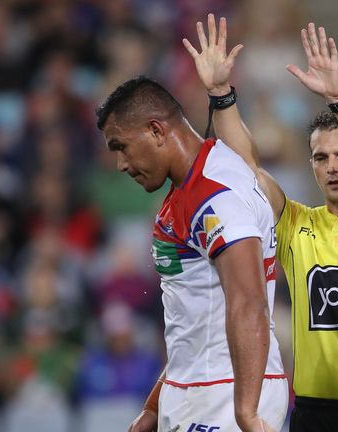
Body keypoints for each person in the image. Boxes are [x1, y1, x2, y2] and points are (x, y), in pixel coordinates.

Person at [181, 14, 338, 431]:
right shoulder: (296, 224)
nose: (331, 167)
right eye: (320, 158)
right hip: (314, 415)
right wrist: (221, 94)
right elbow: (246, 168)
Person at [95, 75, 287, 432]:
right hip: (200, 386)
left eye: (121, 146)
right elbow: (197, 321)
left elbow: (250, 301)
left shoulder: (214, 197)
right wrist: (155, 406)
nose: (121, 163)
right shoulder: (193, 187)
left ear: (156, 130)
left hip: (224, 393)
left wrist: (245, 412)